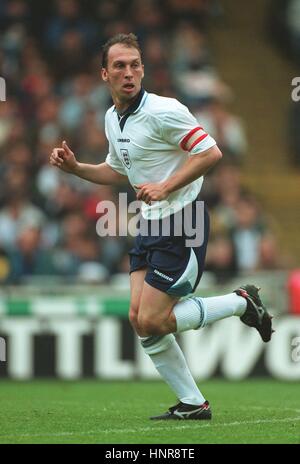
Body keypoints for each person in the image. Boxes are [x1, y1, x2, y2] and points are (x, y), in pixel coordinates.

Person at [50, 33, 274, 420]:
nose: (128, 73)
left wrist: (167, 186)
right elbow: (117, 170)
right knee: (140, 319)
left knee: (153, 318)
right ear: (104, 74)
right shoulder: (112, 117)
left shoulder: (164, 110)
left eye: (135, 65)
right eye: (119, 66)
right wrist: (77, 169)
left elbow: (211, 152)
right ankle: (193, 403)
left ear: (142, 70)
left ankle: (241, 303)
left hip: (183, 222)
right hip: (148, 225)